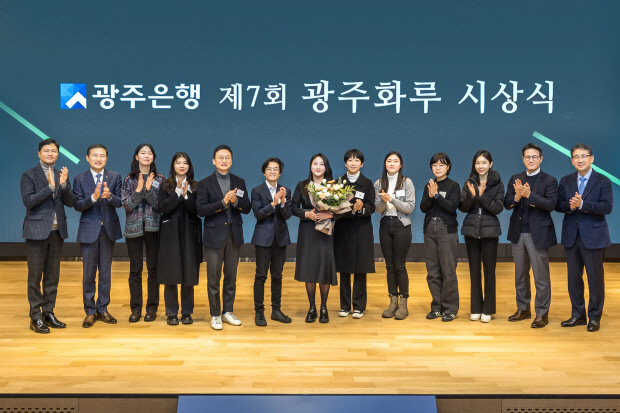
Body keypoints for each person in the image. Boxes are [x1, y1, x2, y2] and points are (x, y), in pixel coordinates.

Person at [21, 138, 75, 334]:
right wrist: (50, 187)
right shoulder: (29, 175)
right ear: (39, 153)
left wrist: (64, 185)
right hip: (36, 232)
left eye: (53, 151)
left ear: (57, 154)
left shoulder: (62, 174)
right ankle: (35, 316)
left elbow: (70, 202)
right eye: (46, 150)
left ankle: (48, 312)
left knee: (52, 276)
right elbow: (29, 201)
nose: (50, 153)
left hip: (57, 231)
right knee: (35, 276)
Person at [556, 143, 613, 332]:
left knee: (595, 279)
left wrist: (582, 204)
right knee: (573, 278)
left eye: (584, 156)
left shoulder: (603, 181)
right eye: (576, 157)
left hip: (594, 236)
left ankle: (594, 317)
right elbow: (559, 205)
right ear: (572, 161)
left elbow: (607, 207)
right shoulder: (565, 180)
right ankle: (578, 315)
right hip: (571, 236)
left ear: (591, 158)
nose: (580, 160)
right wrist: (571, 206)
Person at [197, 144, 251, 331]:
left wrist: (235, 202)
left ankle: (228, 311)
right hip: (214, 236)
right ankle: (215, 314)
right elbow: (201, 209)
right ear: (214, 161)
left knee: (231, 277)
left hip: (234, 235)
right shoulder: (204, 183)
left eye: (227, 157)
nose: (224, 160)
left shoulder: (239, 181)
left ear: (232, 161)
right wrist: (223, 202)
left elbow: (247, 207)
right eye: (220, 157)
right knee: (213, 279)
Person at [504, 143, 558, 329]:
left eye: (534, 157)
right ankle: (523, 308)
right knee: (520, 274)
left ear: (541, 159)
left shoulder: (549, 180)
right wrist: (517, 197)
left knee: (540, 276)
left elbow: (551, 205)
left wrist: (529, 195)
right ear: (523, 159)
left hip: (539, 234)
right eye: (527, 157)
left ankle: (542, 313)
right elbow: (507, 203)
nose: (531, 160)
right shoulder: (515, 178)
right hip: (518, 233)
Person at [73, 144, 123, 328]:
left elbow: (120, 202)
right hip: (89, 231)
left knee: (105, 273)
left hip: (108, 230)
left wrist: (109, 196)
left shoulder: (115, 177)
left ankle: (103, 309)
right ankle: (90, 311)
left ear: (106, 158)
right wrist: (93, 197)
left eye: (102, 155)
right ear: (87, 158)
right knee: (88, 274)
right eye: (95, 155)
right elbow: (78, 205)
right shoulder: (79, 179)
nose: (98, 159)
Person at [157, 152, 202, 326]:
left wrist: (186, 195)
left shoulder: (195, 186)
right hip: (170, 234)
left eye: (185, 163)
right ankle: (171, 313)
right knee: (171, 272)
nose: (182, 166)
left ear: (189, 166)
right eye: (178, 163)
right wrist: (177, 192)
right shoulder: (165, 185)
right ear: (173, 166)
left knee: (189, 272)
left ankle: (187, 312)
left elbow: (196, 209)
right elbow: (163, 208)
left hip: (190, 233)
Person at [459, 150, 504, 323]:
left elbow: (497, 208)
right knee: (474, 271)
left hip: (490, 232)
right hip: (471, 231)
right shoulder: (469, 182)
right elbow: (462, 207)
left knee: (489, 272)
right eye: (477, 163)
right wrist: (472, 197)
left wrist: (482, 195)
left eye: (484, 162)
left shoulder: (498, 184)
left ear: (490, 164)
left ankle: (488, 309)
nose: (480, 166)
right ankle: (476, 308)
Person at [121, 143, 165, 323]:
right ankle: (136, 309)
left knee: (153, 269)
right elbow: (127, 205)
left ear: (153, 157)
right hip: (134, 230)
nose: (146, 156)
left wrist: (148, 190)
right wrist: (139, 190)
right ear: (136, 156)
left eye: (150, 153)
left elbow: (161, 206)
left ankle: (152, 308)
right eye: (143, 153)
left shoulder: (160, 179)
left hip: (154, 229)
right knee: (135, 270)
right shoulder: (128, 179)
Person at [292, 153, 338, 323]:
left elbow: (341, 211)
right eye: (315, 164)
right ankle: (312, 307)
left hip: (325, 232)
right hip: (307, 231)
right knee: (309, 268)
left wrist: (330, 215)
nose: (318, 167)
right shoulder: (302, 185)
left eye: (321, 164)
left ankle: (324, 307)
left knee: (324, 268)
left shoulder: (332, 186)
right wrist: (306, 214)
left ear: (326, 167)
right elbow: (293, 207)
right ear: (310, 166)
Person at [250, 157, 293, 326]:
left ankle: (276, 310)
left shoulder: (286, 191)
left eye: (276, 169)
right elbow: (258, 214)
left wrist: (282, 203)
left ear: (280, 173)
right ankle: (259, 312)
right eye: (269, 169)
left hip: (280, 239)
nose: (272, 171)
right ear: (264, 172)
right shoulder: (257, 191)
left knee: (277, 276)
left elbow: (287, 215)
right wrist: (274, 203)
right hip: (263, 239)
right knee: (260, 276)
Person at [334, 149, 375, 319]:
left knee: (360, 269)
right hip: (343, 231)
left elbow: (371, 207)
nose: (353, 163)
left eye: (356, 160)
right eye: (350, 160)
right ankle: (344, 306)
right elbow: (334, 208)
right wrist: (350, 210)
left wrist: (361, 209)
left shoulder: (367, 183)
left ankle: (359, 307)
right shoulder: (338, 183)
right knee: (344, 270)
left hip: (361, 231)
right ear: (345, 163)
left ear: (361, 164)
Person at [419, 153, 460, 322]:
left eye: (441, 165)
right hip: (430, 229)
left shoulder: (453, 185)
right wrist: (430, 195)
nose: (438, 168)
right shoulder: (429, 185)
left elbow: (452, 207)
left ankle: (450, 308)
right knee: (433, 271)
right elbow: (423, 208)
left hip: (446, 230)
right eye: (435, 165)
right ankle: (437, 307)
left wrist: (437, 196)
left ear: (448, 167)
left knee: (448, 271)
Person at [374, 151, 415, 320]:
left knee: (400, 266)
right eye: (389, 161)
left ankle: (403, 303)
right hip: (385, 225)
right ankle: (393, 301)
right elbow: (378, 209)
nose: (392, 164)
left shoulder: (407, 182)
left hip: (401, 226)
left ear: (400, 165)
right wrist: (383, 200)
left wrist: (391, 199)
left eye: (395, 161)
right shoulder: (379, 183)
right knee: (389, 266)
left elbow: (410, 207)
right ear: (385, 164)